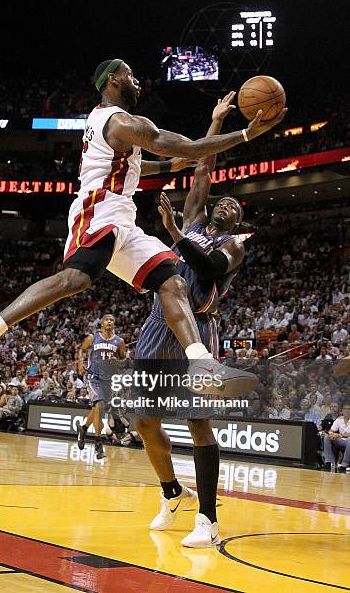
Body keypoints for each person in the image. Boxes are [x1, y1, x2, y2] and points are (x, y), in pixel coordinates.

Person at [0, 59, 286, 396]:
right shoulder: (121, 122)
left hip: (121, 214)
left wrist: (170, 164)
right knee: (76, 278)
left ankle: (201, 364)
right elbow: (189, 147)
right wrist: (244, 134)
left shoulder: (108, 123)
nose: (137, 80)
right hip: (100, 206)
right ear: (113, 80)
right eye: (131, 74)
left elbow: (136, 166)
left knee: (172, 282)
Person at [134, 94, 247, 549]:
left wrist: (177, 234)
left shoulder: (237, 244)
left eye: (235, 208)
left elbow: (212, 269)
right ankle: (171, 491)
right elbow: (202, 166)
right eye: (223, 204)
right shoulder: (197, 216)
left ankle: (209, 519)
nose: (227, 207)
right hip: (159, 322)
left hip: (199, 327)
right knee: (143, 419)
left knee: (198, 422)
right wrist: (217, 119)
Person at [77, 314, 126, 459]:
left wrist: (117, 360)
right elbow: (81, 349)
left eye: (112, 319)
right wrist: (80, 363)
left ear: (114, 324)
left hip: (108, 380)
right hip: (94, 377)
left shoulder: (119, 341)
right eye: (107, 319)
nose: (109, 321)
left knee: (97, 409)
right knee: (100, 405)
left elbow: (123, 359)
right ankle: (98, 444)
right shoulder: (93, 338)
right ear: (102, 323)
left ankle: (83, 429)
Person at [323, 404, 350, 472]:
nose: (347, 411)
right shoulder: (339, 419)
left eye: (349, 409)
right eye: (345, 409)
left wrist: (339, 435)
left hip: (348, 441)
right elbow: (331, 430)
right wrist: (331, 434)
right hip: (340, 441)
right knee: (327, 437)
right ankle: (329, 462)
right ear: (342, 411)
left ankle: (344, 464)